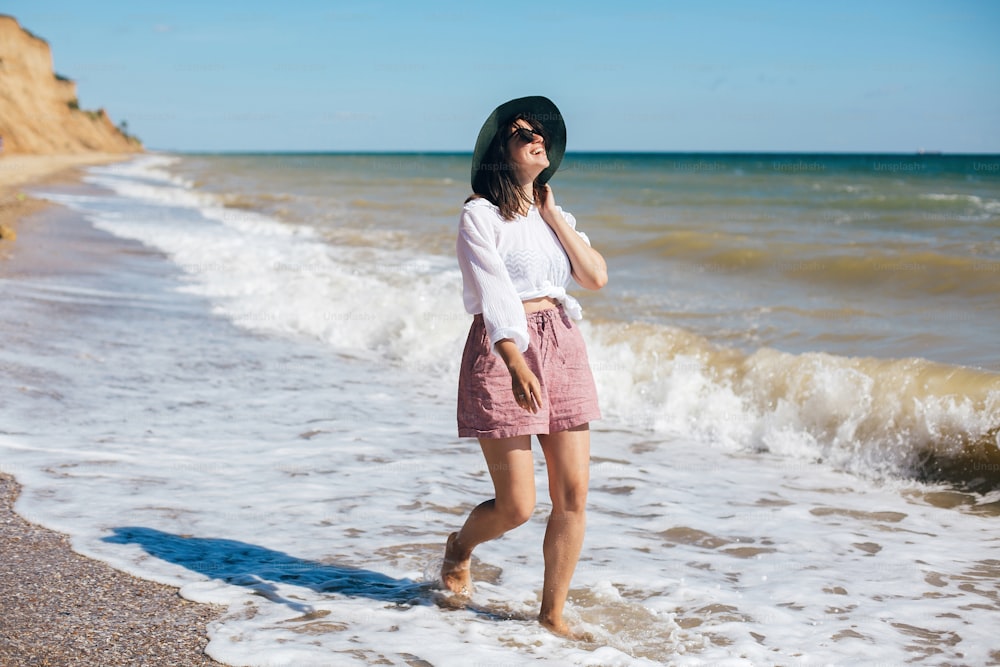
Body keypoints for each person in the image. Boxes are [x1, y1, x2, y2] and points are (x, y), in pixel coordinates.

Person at [440, 96, 608, 638]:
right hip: (502, 348)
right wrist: (513, 358)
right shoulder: (479, 215)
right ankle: (460, 547)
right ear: (500, 151)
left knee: (574, 494)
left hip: (562, 341)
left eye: (540, 132)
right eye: (520, 134)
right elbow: (493, 294)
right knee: (516, 506)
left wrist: (554, 214)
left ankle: (552, 614)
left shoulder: (554, 215)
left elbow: (595, 277)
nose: (536, 138)